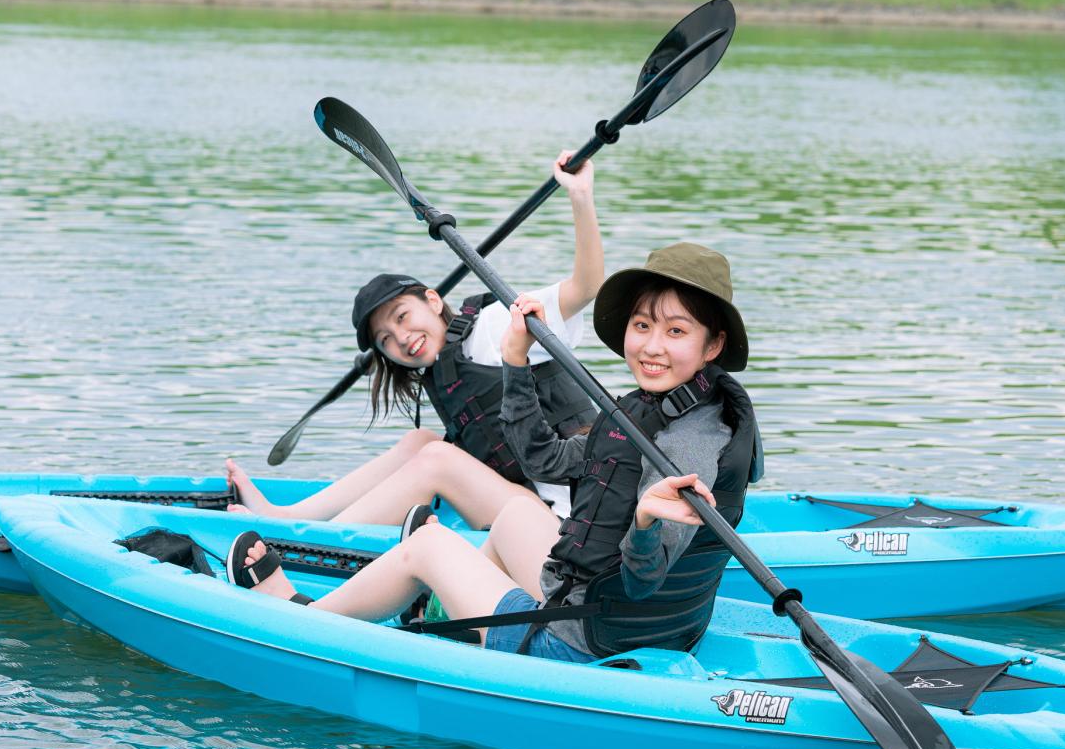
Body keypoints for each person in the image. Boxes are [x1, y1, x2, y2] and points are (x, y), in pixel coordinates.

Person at [227, 242, 759, 663]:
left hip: (583, 645)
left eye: (676, 331)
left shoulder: (688, 445)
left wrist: (644, 522)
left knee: (430, 545)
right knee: (514, 516)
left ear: (712, 346)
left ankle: (302, 615)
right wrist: (515, 360)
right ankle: (445, 609)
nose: (651, 346)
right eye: (642, 327)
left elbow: (644, 579)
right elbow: (545, 462)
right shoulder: (681, 408)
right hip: (632, 624)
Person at [224, 150, 604, 530]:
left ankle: (309, 538)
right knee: (420, 442)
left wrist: (580, 196)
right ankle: (288, 517)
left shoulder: (494, 324)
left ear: (434, 300)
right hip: (524, 506)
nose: (402, 339)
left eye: (403, 317)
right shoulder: (442, 376)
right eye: (386, 338)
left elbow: (586, 287)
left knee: (437, 456)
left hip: (576, 511)